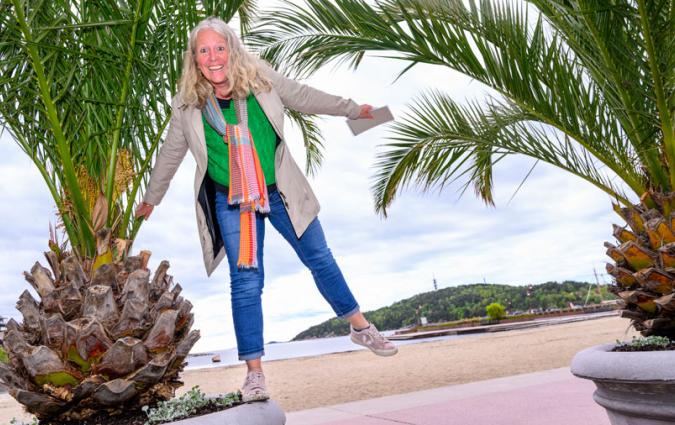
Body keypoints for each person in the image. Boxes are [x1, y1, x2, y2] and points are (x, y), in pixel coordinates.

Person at [135, 16, 397, 402]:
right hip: (232, 200)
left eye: (219, 47)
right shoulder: (187, 106)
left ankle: (360, 327)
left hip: (280, 190)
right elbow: (171, 154)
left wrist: (352, 109)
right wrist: (151, 198)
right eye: (204, 50)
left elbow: (305, 96)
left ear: (232, 50)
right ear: (195, 59)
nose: (213, 57)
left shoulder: (260, 79)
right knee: (246, 282)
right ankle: (255, 373)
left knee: (320, 258)